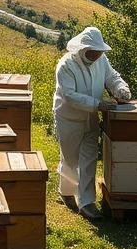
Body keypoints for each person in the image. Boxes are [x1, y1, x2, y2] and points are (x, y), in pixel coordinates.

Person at [53, 26, 131, 221]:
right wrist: (98, 104)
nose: (96, 55)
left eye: (99, 52)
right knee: (70, 159)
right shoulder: (65, 65)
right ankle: (66, 191)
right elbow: (70, 96)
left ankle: (87, 203)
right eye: (93, 52)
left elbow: (112, 77)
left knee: (88, 159)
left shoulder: (101, 60)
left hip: (91, 117)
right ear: (82, 48)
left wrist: (121, 89)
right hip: (69, 118)